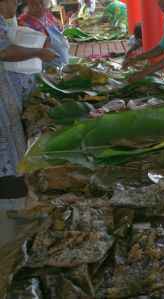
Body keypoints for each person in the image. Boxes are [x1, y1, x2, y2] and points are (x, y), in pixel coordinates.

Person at [0, 0, 57, 206]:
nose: (15, 6)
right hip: (3, 104)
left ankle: (13, 199)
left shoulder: (4, 22)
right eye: (15, 2)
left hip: (9, 101)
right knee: (8, 149)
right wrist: (38, 53)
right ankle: (9, 205)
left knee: (13, 147)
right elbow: (4, 51)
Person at [18, 0, 69, 68]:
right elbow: (27, 51)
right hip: (46, 71)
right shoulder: (22, 22)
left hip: (62, 68)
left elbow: (60, 29)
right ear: (27, 4)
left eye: (42, 3)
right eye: (34, 3)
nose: (39, 6)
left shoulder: (48, 16)